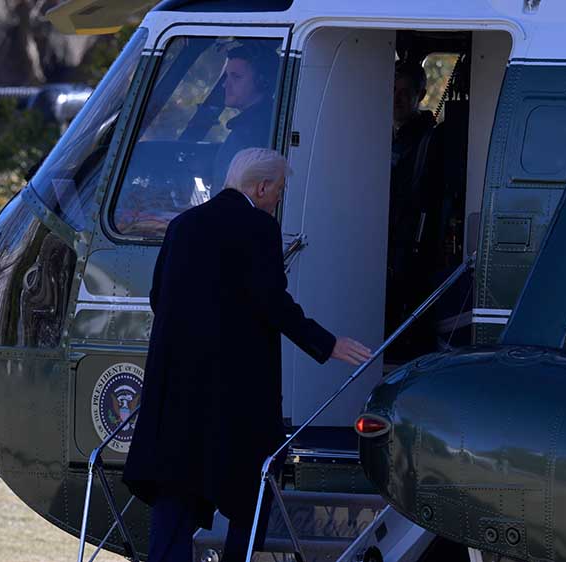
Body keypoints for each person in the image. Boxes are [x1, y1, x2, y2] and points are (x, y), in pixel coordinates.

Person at [122, 148, 372, 562]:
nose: (278, 200)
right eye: (279, 191)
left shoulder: (182, 225)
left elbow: (156, 297)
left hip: (178, 392)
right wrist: (328, 344)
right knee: (248, 496)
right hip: (235, 396)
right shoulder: (258, 228)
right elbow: (272, 303)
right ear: (260, 188)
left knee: (177, 498)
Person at [386, 60, 439, 360]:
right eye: (392, 90)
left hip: (406, 237)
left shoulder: (424, 138)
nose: (397, 98)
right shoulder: (376, 132)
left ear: (420, 95)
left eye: (405, 92)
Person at [211, 44, 280, 192]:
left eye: (236, 77)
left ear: (262, 81)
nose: (225, 84)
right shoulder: (271, 120)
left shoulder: (250, 134)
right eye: (227, 76)